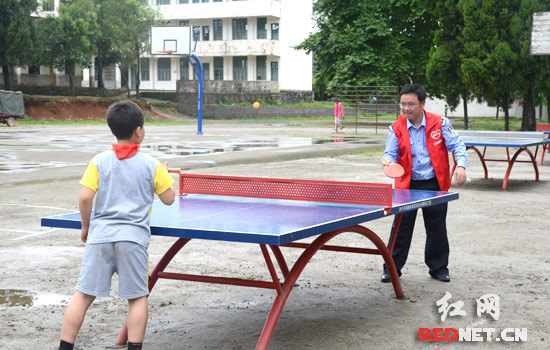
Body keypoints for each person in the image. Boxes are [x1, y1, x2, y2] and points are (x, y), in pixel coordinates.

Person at [58, 100, 176, 350]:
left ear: (113, 130)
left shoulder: (98, 161)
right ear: (138, 131)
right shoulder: (152, 164)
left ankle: (65, 347)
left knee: (82, 295)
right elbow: (169, 199)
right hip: (132, 240)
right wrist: (166, 176)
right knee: (137, 298)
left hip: (100, 237)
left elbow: (85, 197)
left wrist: (86, 227)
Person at [381, 84, 467, 283]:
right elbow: (389, 154)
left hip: (434, 184)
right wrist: (388, 163)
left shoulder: (440, 123)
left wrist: (460, 166)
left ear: (422, 104)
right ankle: (391, 269)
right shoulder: (396, 128)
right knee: (401, 227)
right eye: (403, 104)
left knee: (436, 226)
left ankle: (439, 268)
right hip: (407, 185)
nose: (406, 108)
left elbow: (458, 145)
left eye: (411, 104)